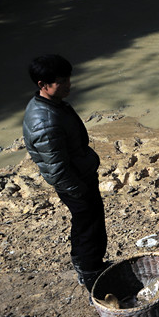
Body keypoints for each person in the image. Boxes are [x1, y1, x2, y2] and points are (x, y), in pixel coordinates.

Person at [22, 55, 109, 292]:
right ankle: (92, 278)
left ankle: (89, 267)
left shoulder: (52, 104)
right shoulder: (44, 122)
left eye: (68, 78)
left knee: (87, 224)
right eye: (62, 81)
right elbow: (56, 169)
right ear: (42, 84)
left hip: (78, 176)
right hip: (74, 182)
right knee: (88, 228)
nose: (69, 85)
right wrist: (78, 191)